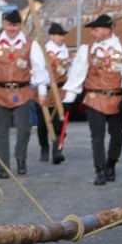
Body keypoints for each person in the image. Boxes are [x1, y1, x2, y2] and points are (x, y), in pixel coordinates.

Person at [0, 10, 49, 178]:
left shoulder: (31, 44)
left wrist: (42, 91)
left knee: (24, 129)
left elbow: (39, 68)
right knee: (1, 133)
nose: (12, 28)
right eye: (9, 24)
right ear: (4, 24)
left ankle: (20, 158)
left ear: (20, 26)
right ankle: (3, 168)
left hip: (22, 92)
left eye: (15, 25)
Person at [61, 14, 122, 185]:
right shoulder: (87, 49)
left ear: (107, 30)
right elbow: (77, 73)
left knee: (117, 134)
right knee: (97, 136)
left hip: (116, 97)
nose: (92, 33)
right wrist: (69, 97)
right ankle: (99, 169)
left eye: (96, 29)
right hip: (95, 97)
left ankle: (111, 163)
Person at [37, 23, 71, 165]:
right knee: (43, 123)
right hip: (46, 89)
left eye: (62, 35)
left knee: (60, 121)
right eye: (58, 35)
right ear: (51, 36)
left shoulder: (66, 52)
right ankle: (44, 147)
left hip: (61, 89)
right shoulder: (43, 50)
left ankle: (57, 150)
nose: (61, 38)